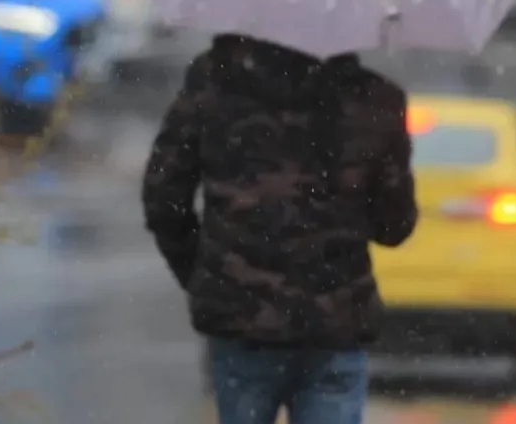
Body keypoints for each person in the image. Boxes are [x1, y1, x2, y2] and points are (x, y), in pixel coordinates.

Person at [141, 33, 418, 424]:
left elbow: (164, 196)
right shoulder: (374, 100)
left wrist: (205, 274)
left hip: (242, 318)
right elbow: (394, 227)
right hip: (335, 322)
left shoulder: (215, 84)